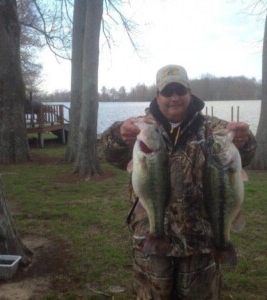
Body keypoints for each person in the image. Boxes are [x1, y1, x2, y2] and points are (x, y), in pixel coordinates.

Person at [101, 64, 257, 299]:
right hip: (150, 236)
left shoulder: (213, 129)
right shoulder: (141, 128)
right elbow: (109, 154)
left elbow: (242, 157)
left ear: (190, 93)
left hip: (200, 240)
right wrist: (117, 135)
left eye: (180, 90)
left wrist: (245, 139)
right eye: (167, 92)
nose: (174, 97)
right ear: (158, 96)